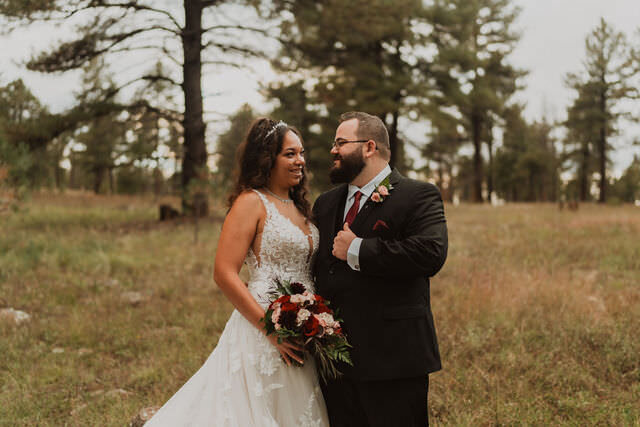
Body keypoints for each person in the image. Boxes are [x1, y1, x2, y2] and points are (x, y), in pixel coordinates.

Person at [146, 118, 329, 426]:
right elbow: (223, 272)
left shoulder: (300, 208)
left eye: (301, 153)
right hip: (262, 324)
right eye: (290, 154)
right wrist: (270, 330)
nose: (301, 161)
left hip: (302, 327)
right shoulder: (250, 203)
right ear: (267, 158)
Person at [312, 111, 448, 426]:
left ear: (370, 147)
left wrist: (357, 248)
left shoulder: (418, 195)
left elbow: (431, 253)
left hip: (395, 360)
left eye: (341, 143)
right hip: (335, 363)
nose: (333, 150)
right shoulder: (326, 203)